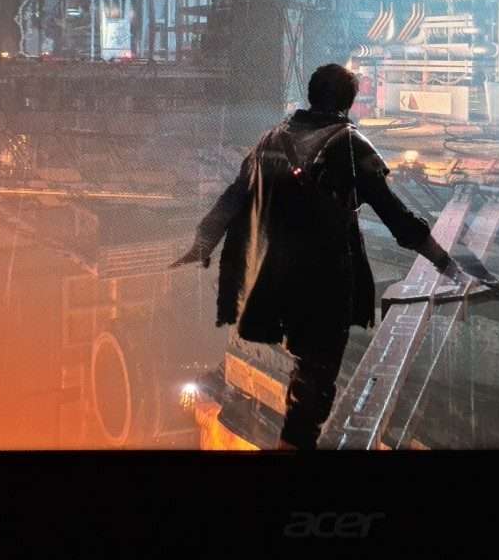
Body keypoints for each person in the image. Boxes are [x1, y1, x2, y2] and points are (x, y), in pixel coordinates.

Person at [174, 63, 455, 450]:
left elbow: (234, 196)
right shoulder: (349, 145)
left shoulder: (270, 140)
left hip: (271, 274)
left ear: (311, 94)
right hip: (324, 277)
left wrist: (204, 241)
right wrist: (443, 260)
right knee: (316, 376)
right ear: (349, 102)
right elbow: (396, 217)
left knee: (304, 369)